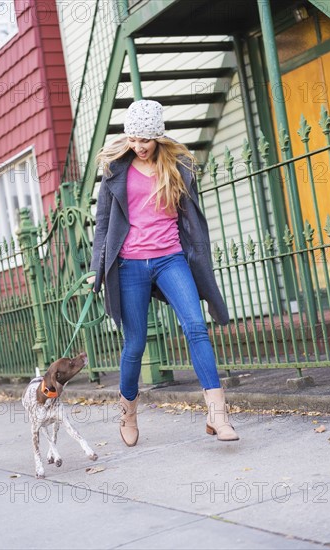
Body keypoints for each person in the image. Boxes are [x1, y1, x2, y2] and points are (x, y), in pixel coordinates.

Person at [89, 99, 239, 446]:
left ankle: (218, 414)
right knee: (135, 344)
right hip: (129, 263)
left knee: (196, 327)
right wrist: (97, 268)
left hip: (171, 257)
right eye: (133, 138)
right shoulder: (115, 169)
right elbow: (102, 225)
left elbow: (191, 219)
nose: (138, 146)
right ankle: (128, 410)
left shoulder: (179, 166)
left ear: (158, 136)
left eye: (145, 139)